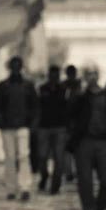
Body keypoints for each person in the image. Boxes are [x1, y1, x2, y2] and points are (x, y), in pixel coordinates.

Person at [67, 62, 106, 210]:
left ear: (98, 75)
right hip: (84, 142)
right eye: (88, 74)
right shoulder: (81, 96)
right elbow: (69, 113)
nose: (91, 77)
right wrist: (78, 93)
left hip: (104, 142)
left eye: (94, 74)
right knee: (85, 182)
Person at [0, 56, 38, 201]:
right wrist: (0, 121)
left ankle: (24, 187)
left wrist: (32, 124)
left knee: (23, 156)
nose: (16, 69)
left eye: (18, 66)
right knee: (10, 157)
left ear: (21, 67)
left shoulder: (28, 86)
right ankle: (11, 188)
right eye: (13, 66)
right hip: (7, 127)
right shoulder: (2, 87)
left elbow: (35, 106)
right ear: (10, 68)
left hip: (23, 126)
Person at [37, 64, 68, 194]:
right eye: (52, 75)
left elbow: (68, 108)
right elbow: (37, 107)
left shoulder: (64, 90)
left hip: (60, 127)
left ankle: (55, 184)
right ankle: (44, 175)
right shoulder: (41, 89)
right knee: (42, 156)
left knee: (59, 157)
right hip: (44, 126)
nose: (54, 78)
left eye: (56, 76)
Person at [63, 64, 82, 182]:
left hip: (75, 122)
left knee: (74, 148)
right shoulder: (65, 86)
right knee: (69, 148)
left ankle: (72, 171)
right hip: (68, 122)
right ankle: (69, 171)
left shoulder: (79, 87)